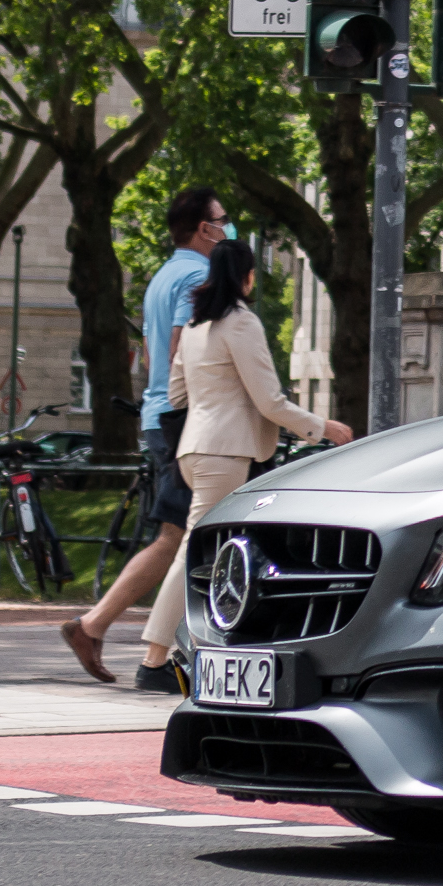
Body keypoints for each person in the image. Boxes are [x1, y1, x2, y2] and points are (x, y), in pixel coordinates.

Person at [137, 238, 353, 660]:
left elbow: (177, 395)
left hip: (194, 448)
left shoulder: (197, 326)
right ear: (246, 276)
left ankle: (203, 646)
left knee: (218, 548)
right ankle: (154, 657)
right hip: (227, 451)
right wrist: (322, 427)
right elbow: (269, 401)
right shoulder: (241, 322)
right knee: (195, 549)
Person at [62, 188, 226, 689]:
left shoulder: (163, 274)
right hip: (181, 418)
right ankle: (116, 635)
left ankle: (128, 637)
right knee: (179, 536)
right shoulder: (199, 275)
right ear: (204, 228)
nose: (227, 229)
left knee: (181, 535)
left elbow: (155, 357)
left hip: (159, 415)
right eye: (222, 220)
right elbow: (181, 350)